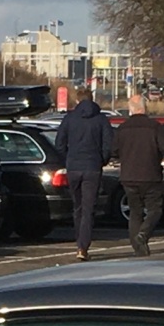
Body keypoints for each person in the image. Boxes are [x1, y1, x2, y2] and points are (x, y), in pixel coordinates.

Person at [56, 86, 115, 258]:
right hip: (92, 167)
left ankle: (79, 243)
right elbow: (108, 145)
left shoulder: (69, 119)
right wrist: (101, 160)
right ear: (92, 98)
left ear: (77, 100)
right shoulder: (101, 119)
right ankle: (83, 246)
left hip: (73, 167)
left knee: (78, 207)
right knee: (89, 209)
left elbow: (60, 143)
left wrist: (68, 159)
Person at [114, 88, 164, 256]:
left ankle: (139, 248)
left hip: (128, 176)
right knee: (155, 210)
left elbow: (113, 150)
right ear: (145, 108)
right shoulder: (155, 127)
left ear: (131, 109)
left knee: (135, 211)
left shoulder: (122, 128)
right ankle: (143, 235)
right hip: (151, 174)